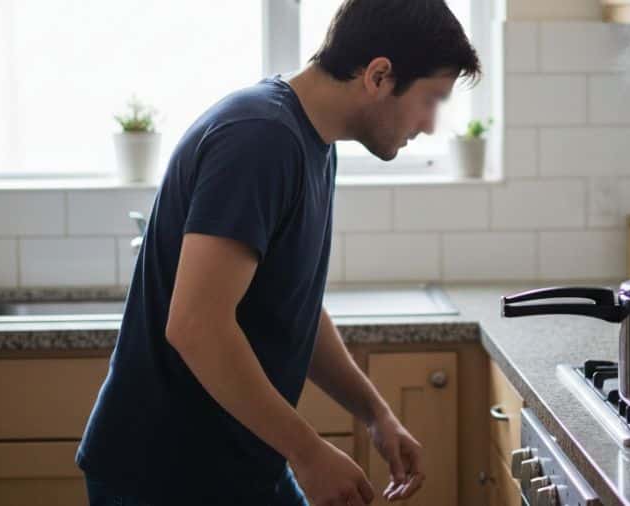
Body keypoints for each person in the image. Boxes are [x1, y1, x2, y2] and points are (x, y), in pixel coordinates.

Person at [76, 0, 481, 504]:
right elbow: (196, 325)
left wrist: (376, 413)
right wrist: (308, 452)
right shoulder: (261, 139)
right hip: (165, 474)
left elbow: (293, 307)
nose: (430, 126)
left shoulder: (312, 142)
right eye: (431, 100)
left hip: (239, 460)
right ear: (379, 76)